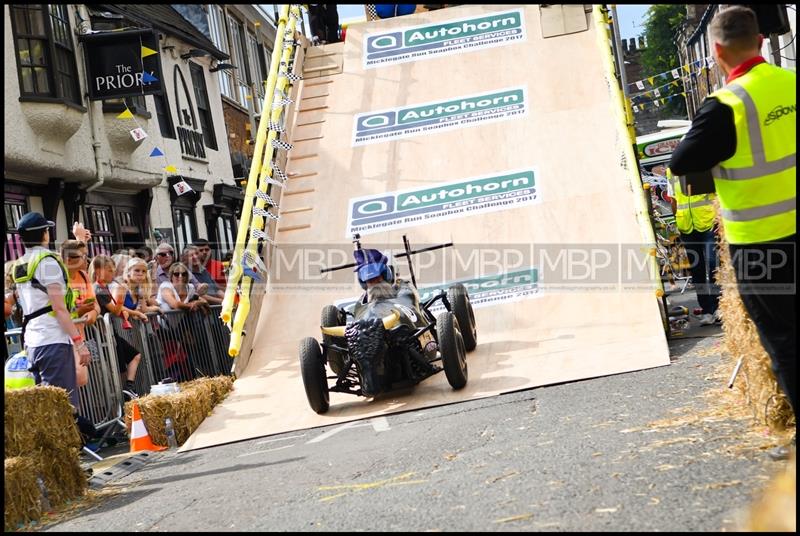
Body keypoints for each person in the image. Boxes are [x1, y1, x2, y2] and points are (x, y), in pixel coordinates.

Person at [669, 6, 796, 461]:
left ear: (717, 51)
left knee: (784, 338)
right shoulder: (792, 84)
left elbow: (682, 162)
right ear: (762, 42)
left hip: (763, 247)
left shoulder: (725, 105)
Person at [11, 212, 90, 409]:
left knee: (46, 410)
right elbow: (59, 308)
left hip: (32, 342)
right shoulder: (48, 262)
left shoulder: (20, 263)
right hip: (53, 340)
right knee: (63, 407)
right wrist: (79, 344)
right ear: (45, 234)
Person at [665, 168, 721, 325]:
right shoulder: (671, 171)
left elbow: (718, 194)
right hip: (687, 227)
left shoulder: (706, 165)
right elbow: (673, 200)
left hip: (709, 222)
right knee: (697, 271)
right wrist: (677, 222)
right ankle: (707, 310)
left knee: (713, 265)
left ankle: (719, 306)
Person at [91, 255, 144, 398]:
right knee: (118, 368)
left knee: (134, 356)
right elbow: (115, 309)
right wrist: (121, 300)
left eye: (113, 270)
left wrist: (126, 312)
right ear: (98, 271)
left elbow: (116, 310)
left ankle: (129, 387)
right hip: (102, 335)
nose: (112, 274)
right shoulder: (98, 288)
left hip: (109, 333)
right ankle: (124, 397)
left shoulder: (104, 287)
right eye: (109, 270)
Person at [61, 239, 100, 388]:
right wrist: (80, 311)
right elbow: (60, 311)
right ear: (68, 259)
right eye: (83, 256)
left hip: (82, 336)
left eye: (86, 255)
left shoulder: (84, 276)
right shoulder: (61, 279)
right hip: (65, 337)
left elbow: (94, 303)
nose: (87, 259)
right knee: (80, 378)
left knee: (89, 379)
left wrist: (95, 312)